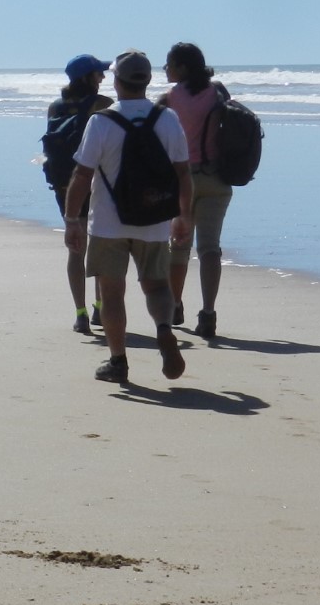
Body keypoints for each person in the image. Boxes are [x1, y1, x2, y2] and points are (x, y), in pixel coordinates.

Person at [62, 50, 192, 384]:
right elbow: (183, 174)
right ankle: (164, 327)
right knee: (157, 285)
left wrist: (72, 219)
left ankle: (117, 361)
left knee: (111, 293)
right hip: (154, 218)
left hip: (108, 222)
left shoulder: (101, 121)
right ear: (148, 80)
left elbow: (82, 175)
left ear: (117, 81)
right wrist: (183, 217)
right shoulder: (168, 119)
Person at [163, 42, 232, 339]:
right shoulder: (218, 91)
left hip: (182, 180)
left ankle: (175, 305)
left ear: (182, 67)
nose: (165, 69)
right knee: (210, 248)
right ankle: (208, 313)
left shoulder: (168, 99)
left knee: (178, 246)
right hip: (216, 177)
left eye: (169, 64)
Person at [45, 54, 114, 333]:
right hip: (96, 182)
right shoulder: (103, 105)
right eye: (98, 73)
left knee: (76, 249)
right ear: (87, 77)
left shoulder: (55, 107)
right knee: (99, 246)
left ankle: (80, 313)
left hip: (64, 184)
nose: (103, 78)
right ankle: (100, 308)